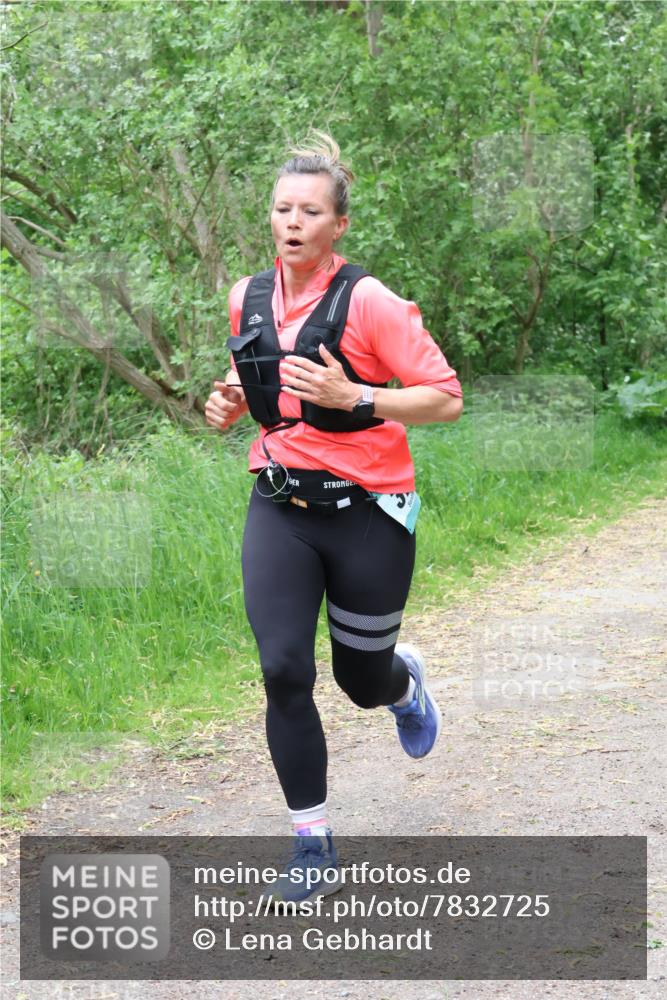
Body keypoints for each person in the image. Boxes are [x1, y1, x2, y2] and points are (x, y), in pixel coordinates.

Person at [204, 131, 463, 907]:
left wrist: (359, 397)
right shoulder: (246, 295)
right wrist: (228, 402)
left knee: (359, 680)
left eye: (310, 211)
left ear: (337, 224)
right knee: (283, 669)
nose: (292, 222)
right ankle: (311, 843)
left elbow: (445, 399)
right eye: (282, 208)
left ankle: (401, 687)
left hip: (367, 513)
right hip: (280, 504)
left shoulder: (370, 301)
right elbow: (253, 372)